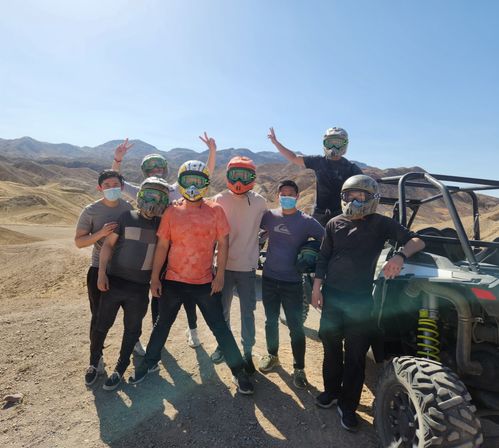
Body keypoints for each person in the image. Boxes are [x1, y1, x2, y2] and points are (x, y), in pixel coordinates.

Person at [311, 174, 425, 432]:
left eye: (360, 196)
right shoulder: (333, 223)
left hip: (360, 302)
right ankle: (331, 392)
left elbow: (417, 240)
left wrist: (399, 256)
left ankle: (348, 406)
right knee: (330, 348)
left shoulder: (381, 223)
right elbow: (323, 257)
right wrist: (317, 288)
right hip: (332, 297)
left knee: (355, 355)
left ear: (371, 198)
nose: (354, 200)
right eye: (350, 195)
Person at [130, 160, 254, 395]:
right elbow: (163, 246)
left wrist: (219, 276)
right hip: (173, 281)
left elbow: (224, 243)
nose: (193, 186)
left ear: (206, 184)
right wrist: (155, 277)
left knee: (220, 329)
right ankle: (149, 364)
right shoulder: (171, 211)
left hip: (204, 282)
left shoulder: (215, 210)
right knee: (161, 325)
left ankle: (239, 373)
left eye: (199, 181)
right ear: (181, 181)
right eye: (188, 181)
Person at [111, 134, 217, 348]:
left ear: (165, 170)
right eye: (151, 169)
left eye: (159, 168)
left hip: (174, 249)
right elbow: (115, 182)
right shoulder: (142, 190)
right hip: (147, 250)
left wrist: (212, 152)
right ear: (145, 172)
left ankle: (192, 330)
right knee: (142, 295)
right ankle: (140, 338)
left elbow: (202, 175)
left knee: (186, 292)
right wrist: (118, 160)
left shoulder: (173, 189)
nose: (155, 172)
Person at [85, 178, 170, 390]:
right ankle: (94, 364)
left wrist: (155, 278)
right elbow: (107, 246)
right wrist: (101, 274)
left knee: (132, 330)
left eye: (158, 197)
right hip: (115, 283)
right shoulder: (126, 217)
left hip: (140, 288)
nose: (152, 200)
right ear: (140, 195)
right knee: (101, 325)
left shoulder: (162, 226)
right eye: (149, 194)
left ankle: (120, 369)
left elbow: (161, 253)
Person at [259, 180, 324, 389]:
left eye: (290, 194)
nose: (286, 196)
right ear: (278, 196)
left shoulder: (306, 221)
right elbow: (251, 228)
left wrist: (312, 253)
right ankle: (272, 355)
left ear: (297, 197)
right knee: (270, 321)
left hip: (292, 282)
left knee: (296, 327)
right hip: (269, 278)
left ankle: (299, 369)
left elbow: (327, 239)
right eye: (282, 193)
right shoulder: (270, 216)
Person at [211, 156, 267, 373]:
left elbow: (270, 223)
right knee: (221, 311)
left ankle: (247, 352)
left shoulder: (260, 202)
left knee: (247, 313)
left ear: (253, 178)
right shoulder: (219, 199)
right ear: (227, 176)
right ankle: (222, 345)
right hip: (222, 266)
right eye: (235, 175)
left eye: (245, 176)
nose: (239, 181)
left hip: (247, 267)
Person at [75, 170, 133, 377]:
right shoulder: (91, 211)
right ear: (100, 188)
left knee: (131, 312)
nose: (111, 188)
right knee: (99, 316)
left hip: (125, 271)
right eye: (106, 185)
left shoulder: (128, 208)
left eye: (115, 184)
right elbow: (79, 242)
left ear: (122, 187)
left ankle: (134, 343)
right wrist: (100, 233)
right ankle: (96, 358)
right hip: (98, 269)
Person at [267, 126, 363, 226]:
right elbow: (294, 157)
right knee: (318, 241)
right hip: (319, 214)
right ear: (325, 144)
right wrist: (275, 142)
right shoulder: (318, 161)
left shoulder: (351, 168)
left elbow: (365, 188)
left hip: (342, 214)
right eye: (330, 143)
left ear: (345, 144)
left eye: (338, 143)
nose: (334, 147)